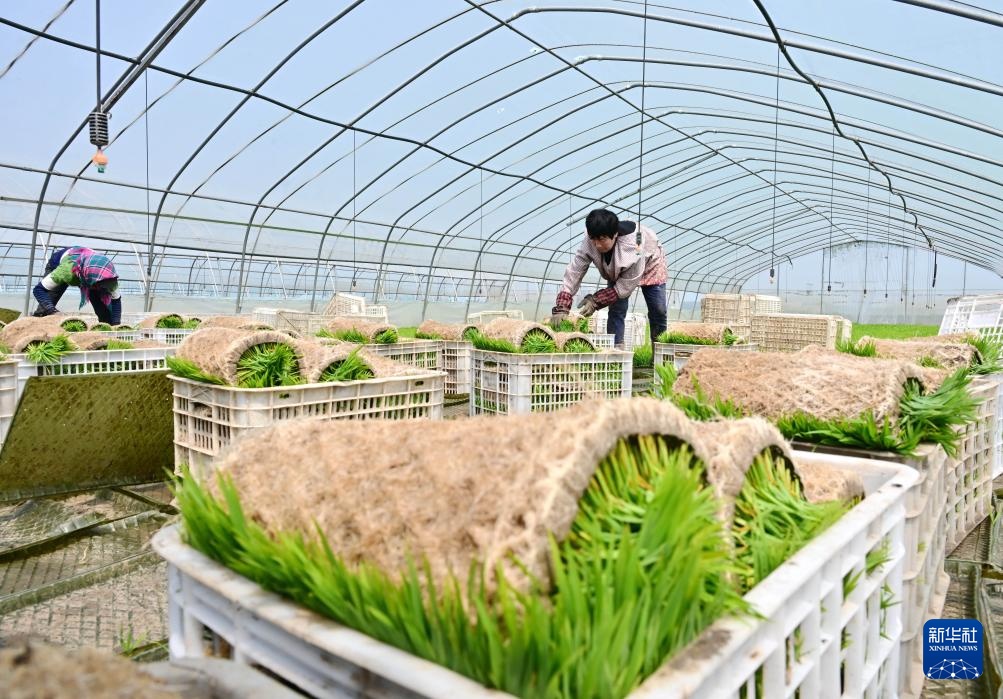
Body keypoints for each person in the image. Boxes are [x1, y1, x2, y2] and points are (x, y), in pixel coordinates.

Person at [551, 208, 667, 348]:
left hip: (650, 262)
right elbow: (575, 270)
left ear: (615, 234)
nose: (597, 244)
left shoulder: (635, 245)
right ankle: (616, 350)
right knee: (616, 309)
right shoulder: (590, 239)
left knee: (658, 310)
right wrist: (562, 305)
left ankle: (660, 349)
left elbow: (624, 287)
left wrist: (596, 301)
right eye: (593, 239)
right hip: (618, 267)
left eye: (602, 239)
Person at [31, 246, 122, 325]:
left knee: (103, 310)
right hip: (66, 265)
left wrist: (116, 324)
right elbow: (38, 290)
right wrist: (52, 311)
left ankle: (106, 330)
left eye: (99, 285)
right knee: (45, 309)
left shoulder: (109, 277)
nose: (97, 288)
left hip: (90, 271)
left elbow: (116, 301)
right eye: (95, 285)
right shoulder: (66, 271)